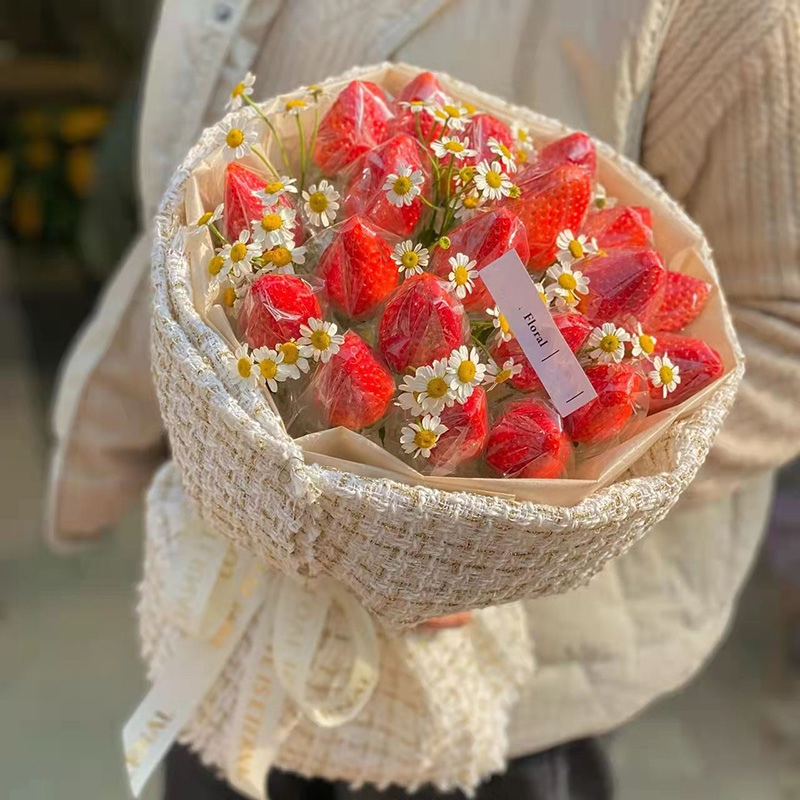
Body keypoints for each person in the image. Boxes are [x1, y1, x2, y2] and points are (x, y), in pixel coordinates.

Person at [47, 0, 800, 797]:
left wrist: (490, 541)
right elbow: (205, 167)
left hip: (500, 699)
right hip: (234, 628)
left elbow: (779, 323)